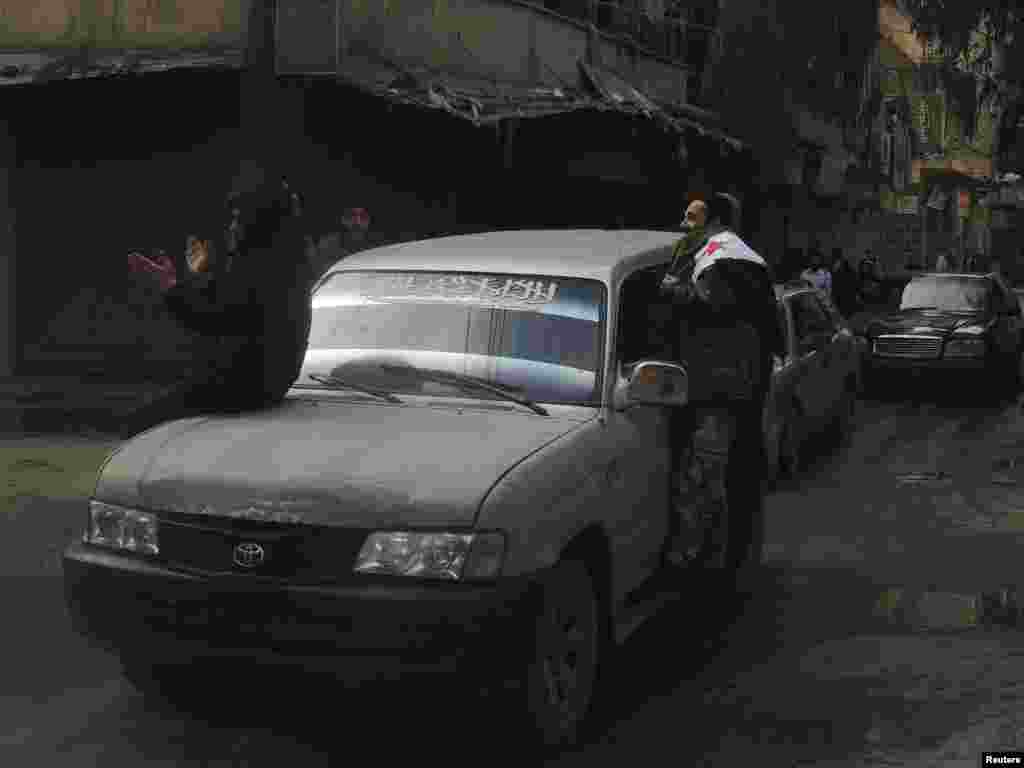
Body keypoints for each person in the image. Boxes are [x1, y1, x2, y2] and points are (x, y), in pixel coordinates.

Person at [124, 173, 314, 434]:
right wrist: (174, 286)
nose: (232, 227)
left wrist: (168, 288)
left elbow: (213, 314)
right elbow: (220, 300)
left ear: (256, 221)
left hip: (245, 384)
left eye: (237, 219)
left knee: (141, 424)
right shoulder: (283, 258)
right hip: (260, 382)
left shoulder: (264, 264)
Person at [659, 192, 783, 574]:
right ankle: (736, 555)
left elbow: (714, 306)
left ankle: (702, 557)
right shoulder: (751, 257)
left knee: (707, 474)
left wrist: (673, 291)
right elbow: (771, 328)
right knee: (740, 472)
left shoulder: (715, 256)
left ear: (714, 221)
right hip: (747, 383)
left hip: (717, 385)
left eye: (692, 217)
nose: (684, 223)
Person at [831, 248, 860, 318]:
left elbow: (853, 278)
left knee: (845, 312)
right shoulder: (834, 264)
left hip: (845, 293)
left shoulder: (844, 265)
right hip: (841, 293)